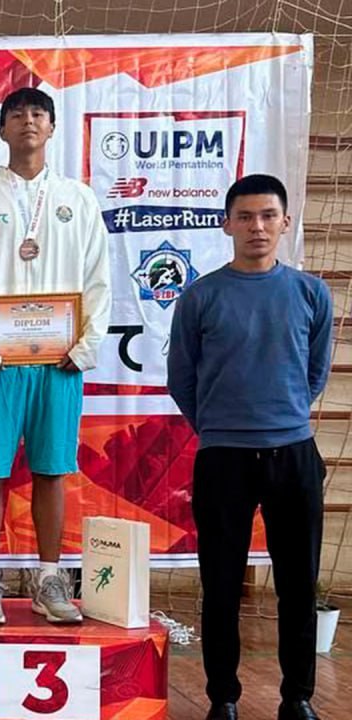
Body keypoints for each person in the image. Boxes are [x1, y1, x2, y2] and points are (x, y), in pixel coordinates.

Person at [168, 174, 330, 720]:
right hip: (222, 459)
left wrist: (283, 417)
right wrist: (219, 428)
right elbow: (182, 378)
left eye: (267, 216)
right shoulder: (201, 296)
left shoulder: (311, 293)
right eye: (245, 217)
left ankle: (298, 697)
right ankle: (223, 698)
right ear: (227, 225)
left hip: (294, 455)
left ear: (285, 222)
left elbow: (314, 372)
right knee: (220, 585)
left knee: (298, 586)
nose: (256, 227)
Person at [0, 87, 111, 624]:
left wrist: (86, 346)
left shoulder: (77, 199)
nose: (28, 122)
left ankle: (49, 578)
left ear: (53, 126)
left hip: (58, 362)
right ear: (2, 129)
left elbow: (98, 278)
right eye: (16, 115)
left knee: (52, 470)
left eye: (38, 114)